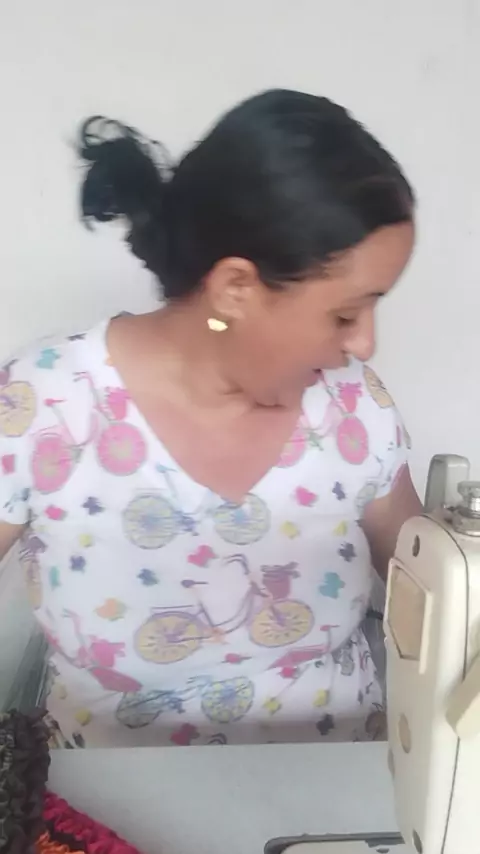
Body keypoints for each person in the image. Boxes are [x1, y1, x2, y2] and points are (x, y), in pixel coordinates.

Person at [0, 90, 422, 748]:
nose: (365, 344)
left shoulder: (353, 408)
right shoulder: (44, 404)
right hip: (109, 798)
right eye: (345, 314)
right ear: (235, 289)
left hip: (339, 787)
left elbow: (434, 593)